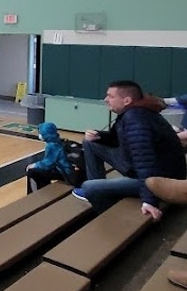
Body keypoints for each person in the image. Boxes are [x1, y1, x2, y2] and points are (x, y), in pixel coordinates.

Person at [71, 80, 185, 220]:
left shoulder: (136, 120)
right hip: (147, 169)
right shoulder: (135, 112)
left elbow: (146, 163)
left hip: (161, 180)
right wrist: (99, 136)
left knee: (89, 187)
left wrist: (149, 201)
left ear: (126, 100)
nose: (106, 100)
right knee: (90, 143)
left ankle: (109, 217)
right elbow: (117, 139)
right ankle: (100, 190)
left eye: (110, 96)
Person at [26, 122, 74, 193]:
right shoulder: (58, 140)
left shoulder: (52, 146)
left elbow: (47, 164)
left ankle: (33, 194)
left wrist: (33, 165)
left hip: (64, 173)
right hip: (66, 169)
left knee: (32, 172)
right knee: (41, 171)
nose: (40, 135)